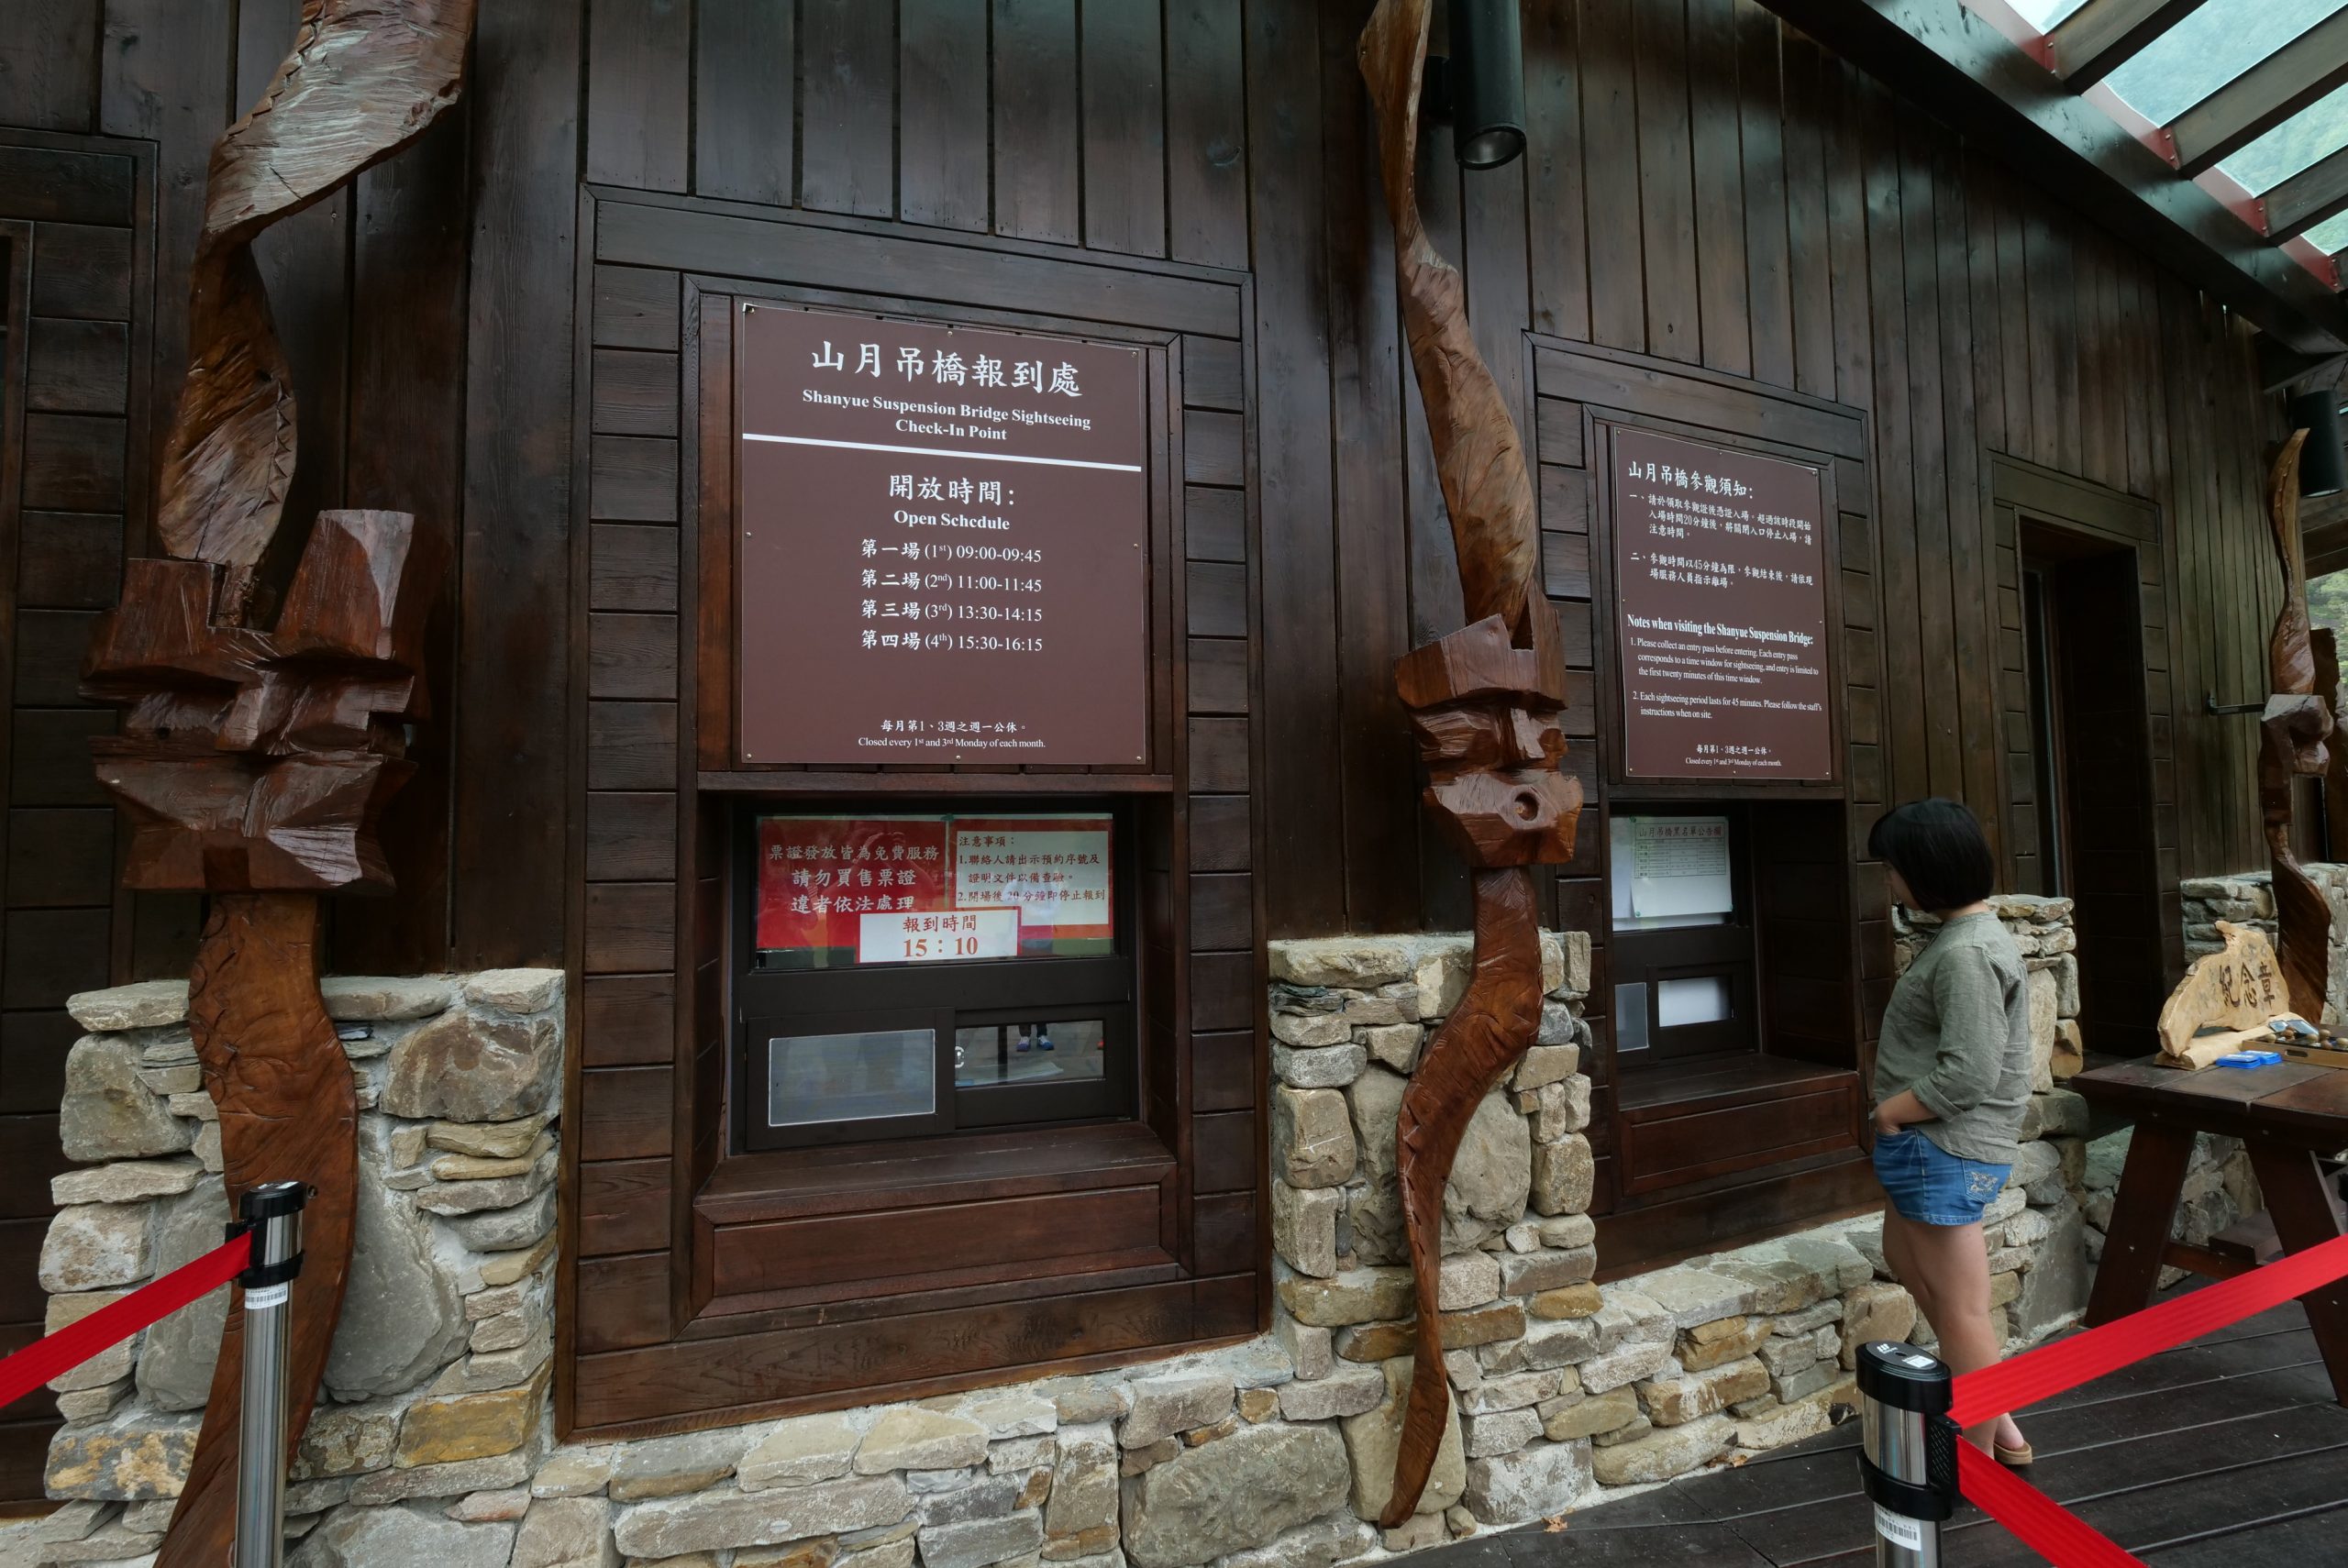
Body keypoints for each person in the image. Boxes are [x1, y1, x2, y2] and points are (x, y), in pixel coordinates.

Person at [1866, 799, 2034, 1463]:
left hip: (1943, 1144)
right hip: (1934, 1146)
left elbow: (1968, 1072)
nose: (1889, 881)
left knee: (1961, 1309)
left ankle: (1972, 1454)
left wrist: (1892, 1112)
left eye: (1892, 868)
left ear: (1923, 870)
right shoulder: (1966, 938)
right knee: (1908, 1260)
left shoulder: (1965, 953)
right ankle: (2005, 1428)